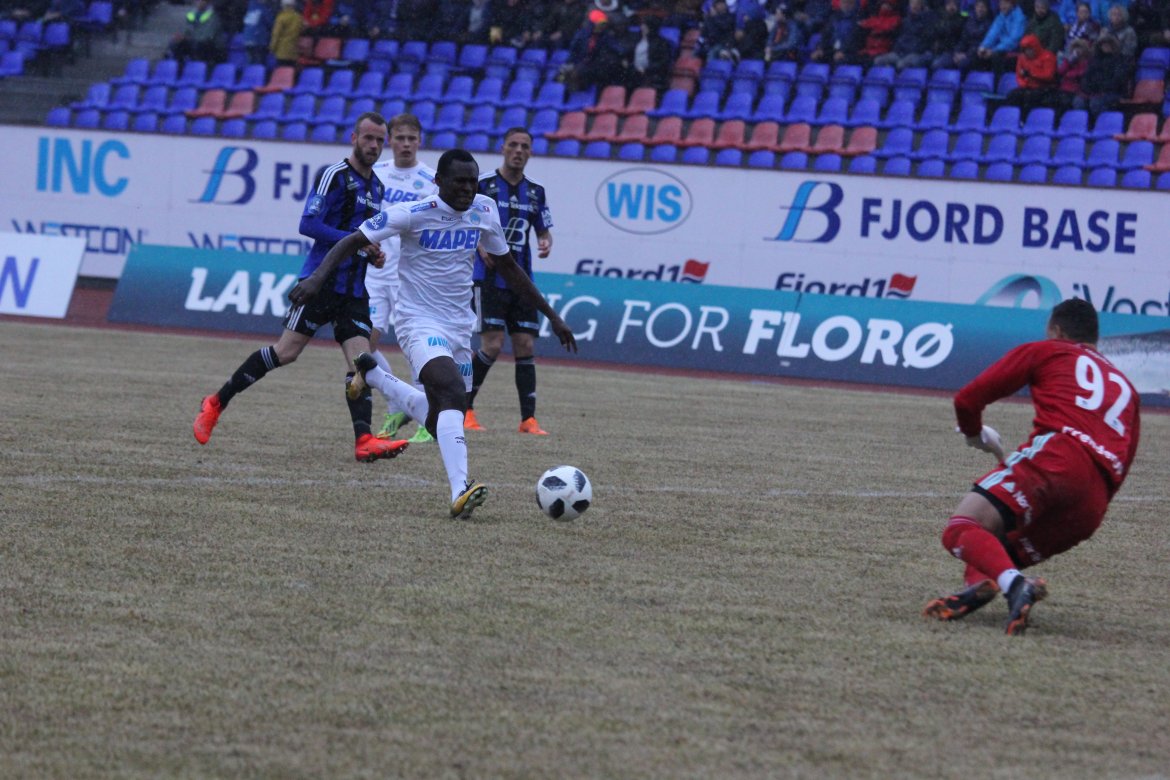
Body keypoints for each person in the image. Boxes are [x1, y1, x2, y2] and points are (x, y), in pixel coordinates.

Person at [289, 149, 578, 519]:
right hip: (418, 322)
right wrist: (316, 279)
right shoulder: (413, 212)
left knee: (440, 416)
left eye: (472, 181)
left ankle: (375, 376)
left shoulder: (485, 209)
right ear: (439, 181)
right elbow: (352, 240)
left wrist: (552, 316)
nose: (468, 188)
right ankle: (460, 490)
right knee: (453, 392)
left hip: (460, 325)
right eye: (460, 181)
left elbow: (508, 266)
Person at [193, 113, 408, 465]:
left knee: (361, 363)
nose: (373, 145)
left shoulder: (377, 188)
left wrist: (373, 253)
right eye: (368, 138)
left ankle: (364, 440)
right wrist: (357, 240)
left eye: (379, 140)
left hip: (354, 290)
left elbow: (364, 236)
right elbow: (308, 224)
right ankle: (216, 402)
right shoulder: (333, 175)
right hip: (320, 283)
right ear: (354, 137)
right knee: (285, 353)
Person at [923, 299, 1140, 636]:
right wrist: (1091, 500)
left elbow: (967, 399)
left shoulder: (1048, 350)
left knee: (962, 528)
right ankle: (982, 585)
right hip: (1094, 500)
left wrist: (973, 433)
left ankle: (1015, 586)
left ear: (1056, 330)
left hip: (1057, 459)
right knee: (998, 550)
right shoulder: (1127, 388)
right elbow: (1126, 458)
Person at [465, 128, 555, 436]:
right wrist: (480, 246)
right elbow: (466, 223)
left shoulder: (536, 191)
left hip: (522, 280)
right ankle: (465, 409)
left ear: (530, 152)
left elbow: (543, 229)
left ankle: (528, 420)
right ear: (503, 148)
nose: (518, 150)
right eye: (513, 145)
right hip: (489, 279)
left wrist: (545, 241)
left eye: (524, 146)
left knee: (525, 344)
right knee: (492, 344)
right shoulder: (483, 185)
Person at [368, 113, 439, 444]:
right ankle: (397, 403)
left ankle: (427, 414)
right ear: (390, 140)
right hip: (374, 272)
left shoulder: (431, 179)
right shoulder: (376, 173)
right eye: (400, 138)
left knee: (415, 343)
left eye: (412, 138)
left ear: (420, 141)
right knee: (364, 343)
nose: (406, 144)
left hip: (411, 275)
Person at [873, 0, 935, 70]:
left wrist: (914, 49)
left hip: (917, 53)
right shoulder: (905, 21)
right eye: (912, 3)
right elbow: (900, 37)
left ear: (921, 6)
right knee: (878, 60)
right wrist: (898, 48)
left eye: (917, 3)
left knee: (901, 64)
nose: (914, 6)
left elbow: (926, 41)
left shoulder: (927, 21)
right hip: (901, 52)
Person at [1004, 33, 1058, 112]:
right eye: (1025, 50)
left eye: (1029, 49)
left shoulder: (1048, 56)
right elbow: (1019, 75)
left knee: (1030, 97)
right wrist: (1024, 84)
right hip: (1027, 87)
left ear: (1035, 47)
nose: (1027, 52)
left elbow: (1049, 76)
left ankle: (1029, 117)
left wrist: (1032, 74)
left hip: (1044, 88)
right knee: (1012, 95)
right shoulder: (1022, 58)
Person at [932, 0, 992, 71]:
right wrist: (957, 53)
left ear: (987, 9)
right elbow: (963, 40)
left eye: (982, 7)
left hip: (976, 55)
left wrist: (966, 55)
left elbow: (982, 44)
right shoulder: (970, 22)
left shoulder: (990, 24)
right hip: (961, 52)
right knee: (937, 64)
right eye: (978, 6)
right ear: (975, 8)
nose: (980, 9)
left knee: (962, 64)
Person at [975, 0, 1026, 79]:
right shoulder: (1001, 16)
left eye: (1005, 3)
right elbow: (992, 34)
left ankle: (998, 82)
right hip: (1001, 48)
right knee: (979, 53)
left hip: (1015, 50)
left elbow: (1014, 40)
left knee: (996, 57)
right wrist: (983, 46)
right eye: (1001, 3)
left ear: (1012, 4)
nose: (1002, 6)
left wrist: (994, 50)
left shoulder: (1019, 18)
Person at [269, 0, 303, 67]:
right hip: (294, 49)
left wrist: (272, 48)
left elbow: (276, 34)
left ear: (283, 5)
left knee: (282, 69)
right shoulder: (298, 17)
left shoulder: (281, 17)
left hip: (282, 50)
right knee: (291, 70)